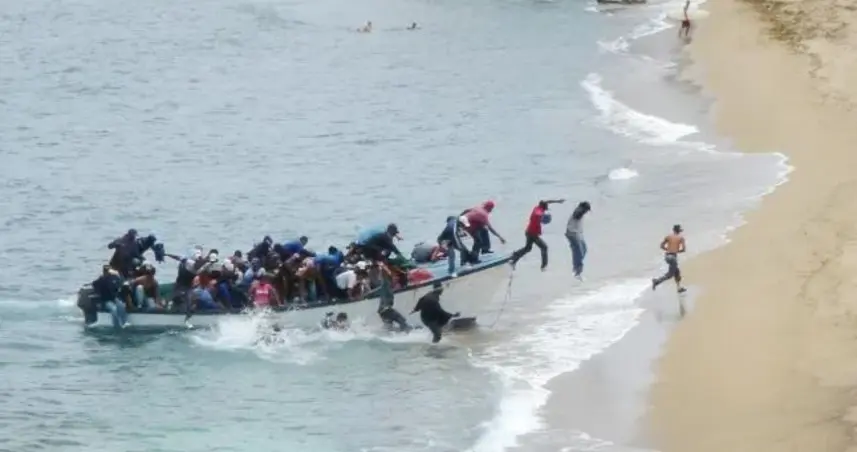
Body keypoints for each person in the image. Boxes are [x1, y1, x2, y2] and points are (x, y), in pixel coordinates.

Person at [509, 198, 565, 270]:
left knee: (528, 248)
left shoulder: (538, 207)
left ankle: (514, 259)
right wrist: (542, 215)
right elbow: (537, 213)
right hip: (532, 234)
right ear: (544, 207)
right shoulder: (538, 211)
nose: (547, 208)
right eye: (546, 207)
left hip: (529, 232)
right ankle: (544, 266)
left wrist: (557, 201)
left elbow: (547, 201)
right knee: (544, 247)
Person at [652, 224, 687, 293]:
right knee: (670, 275)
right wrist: (676, 251)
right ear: (679, 231)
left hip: (667, 256)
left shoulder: (668, 237)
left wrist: (668, 249)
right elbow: (683, 249)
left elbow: (661, 246)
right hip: (673, 257)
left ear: (673, 230)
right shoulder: (681, 238)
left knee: (677, 272)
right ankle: (656, 281)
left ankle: (679, 288)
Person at [565, 201, 591, 280]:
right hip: (572, 234)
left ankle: (576, 268)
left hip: (578, 234)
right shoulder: (578, 211)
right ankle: (577, 272)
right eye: (587, 210)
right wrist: (581, 210)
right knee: (579, 252)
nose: (587, 212)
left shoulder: (580, 211)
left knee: (584, 250)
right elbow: (576, 214)